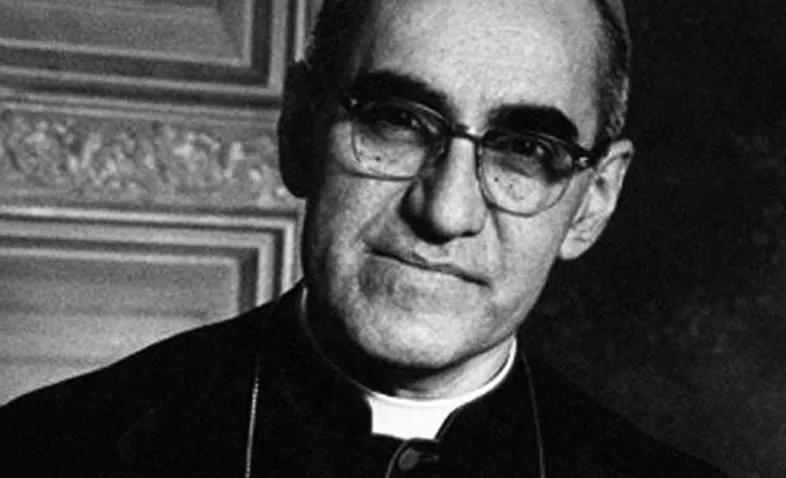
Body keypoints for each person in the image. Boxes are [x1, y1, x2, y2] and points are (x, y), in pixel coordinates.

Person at [2, 0, 729, 476]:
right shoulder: (46, 453)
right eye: (397, 120)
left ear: (593, 202)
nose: (445, 211)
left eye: (525, 149)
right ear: (298, 131)